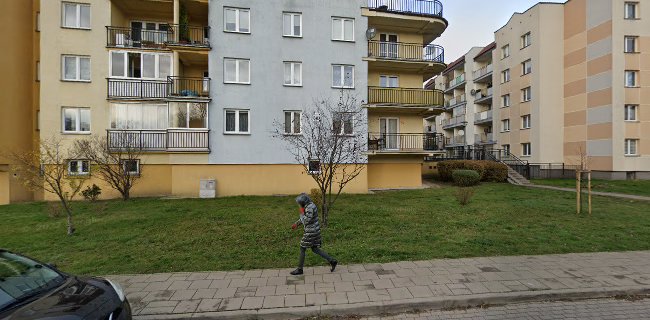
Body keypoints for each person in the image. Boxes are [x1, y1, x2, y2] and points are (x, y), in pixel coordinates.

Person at [290, 193, 337, 275]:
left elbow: (307, 220)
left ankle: (300, 269)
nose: (299, 205)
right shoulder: (309, 206)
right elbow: (304, 218)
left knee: (302, 248)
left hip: (311, 232)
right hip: (315, 230)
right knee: (315, 249)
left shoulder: (310, 208)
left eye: (299, 203)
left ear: (303, 202)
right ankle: (332, 261)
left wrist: (301, 213)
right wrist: (296, 224)